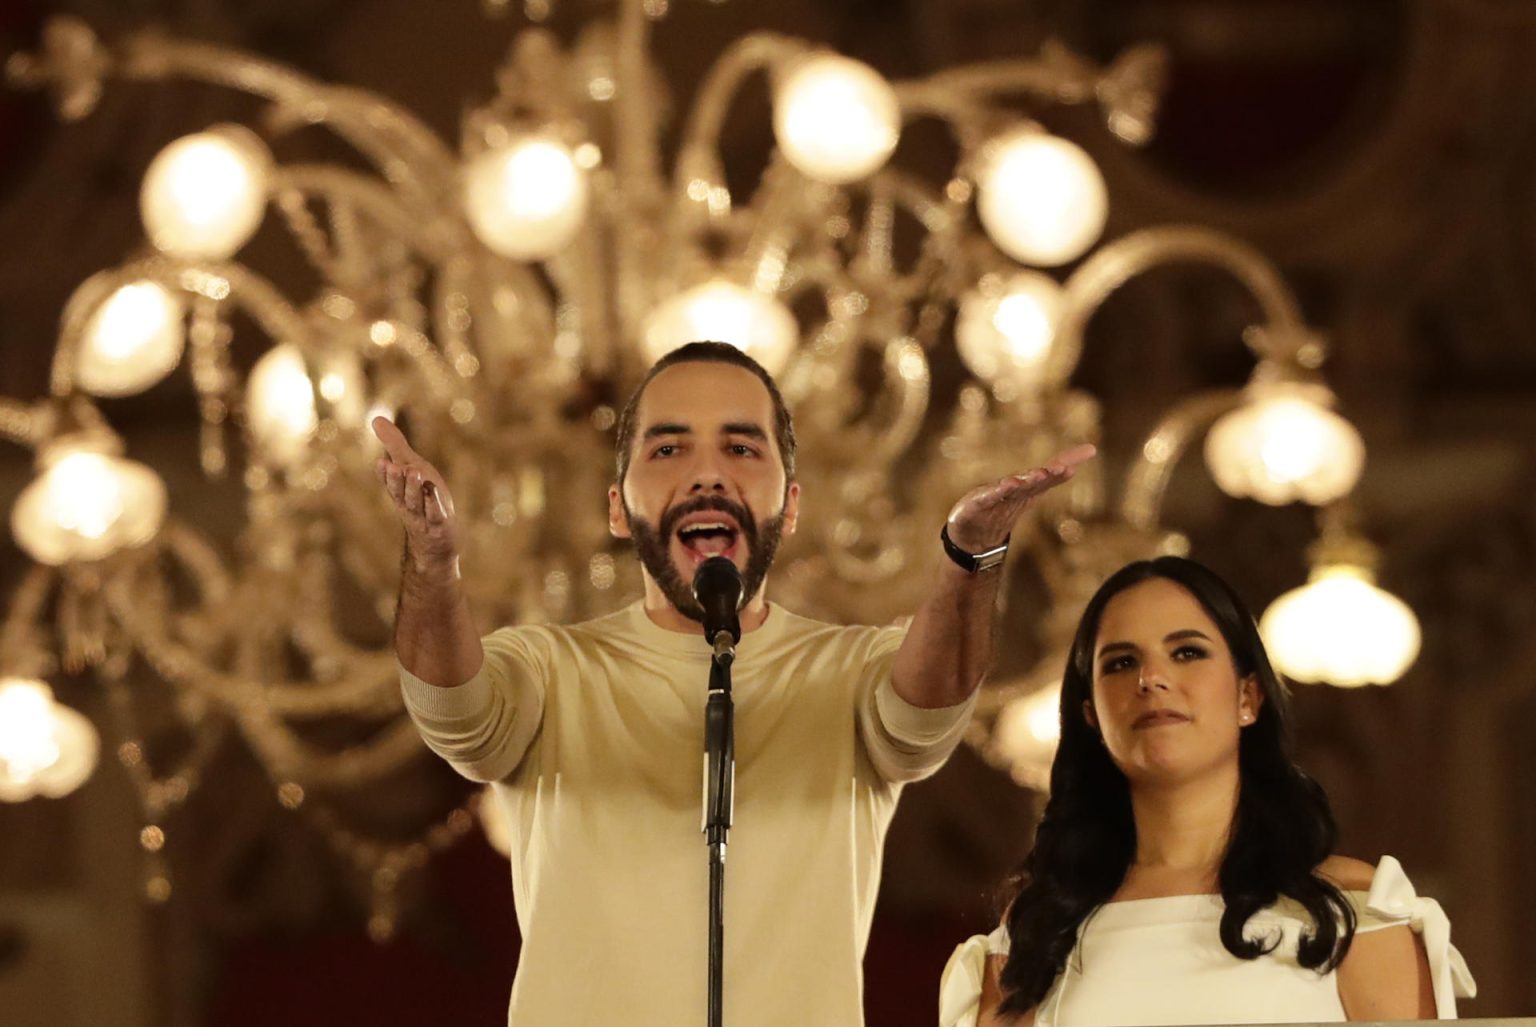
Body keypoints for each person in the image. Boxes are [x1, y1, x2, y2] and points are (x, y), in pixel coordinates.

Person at [372, 341, 1094, 1025]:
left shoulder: (852, 670)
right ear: (619, 507)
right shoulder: (550, 668)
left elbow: (923, 719)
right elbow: (454, 713)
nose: (709, 473)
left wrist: (972, 559)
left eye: (743, 448)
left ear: (794, 503)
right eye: (668, 447)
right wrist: (433, 564)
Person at [940, 556, 1477, 1026]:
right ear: (1091, 716)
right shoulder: (1040, 928)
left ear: (1248, 696)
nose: (1151, 678)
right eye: (1122, 663)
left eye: (1187, 652)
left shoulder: (1357, 908)